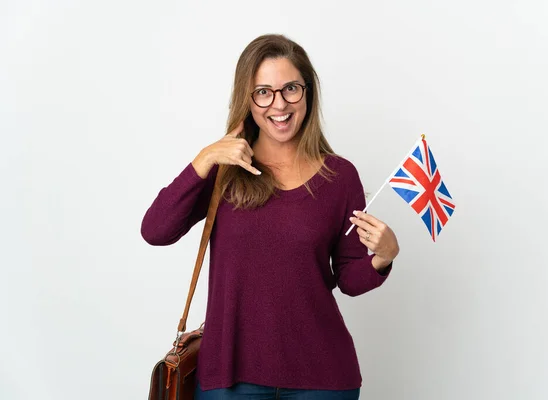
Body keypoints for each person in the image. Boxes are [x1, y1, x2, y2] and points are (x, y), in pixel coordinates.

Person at [141, 34, 400, 400]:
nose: (279, 104)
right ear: (247, 100)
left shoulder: (340, 177)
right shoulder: (224, 169)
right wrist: (203, 159)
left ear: (308, 92)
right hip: (228, 378)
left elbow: (349, 279)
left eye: (290, 89)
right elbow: (155, 230)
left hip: (322, 379)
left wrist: (383, 257)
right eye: (263, 92)